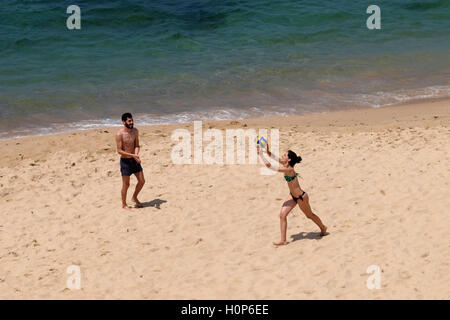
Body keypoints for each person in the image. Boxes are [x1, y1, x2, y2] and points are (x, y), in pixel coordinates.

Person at [258, 144, 327, 246]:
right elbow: (272, 156)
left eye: (285, 155)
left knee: (309, 215)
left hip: (301, 197)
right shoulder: (285, 164)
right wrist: (267, 150)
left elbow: (270, 167)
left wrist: (261, 156)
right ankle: (283, 240)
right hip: (292, 196)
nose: (282, 156)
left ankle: (323, 227)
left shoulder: (289, 169)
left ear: (289, 160)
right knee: (282, 215)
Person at [115, 113, 145, 210]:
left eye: (132, 120)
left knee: (142, 181)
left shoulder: (135, 131)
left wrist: (136, 155)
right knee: (126, 184)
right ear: (124, 122)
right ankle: (124, 204)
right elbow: (119, 151)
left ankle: (134, 197)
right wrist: (133, 155)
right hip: (125, 162)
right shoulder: (119, 134)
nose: (131, 122)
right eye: (129, 121)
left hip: (134, 160)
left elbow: (137, 145)